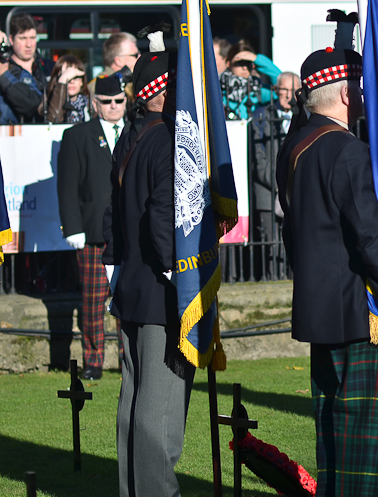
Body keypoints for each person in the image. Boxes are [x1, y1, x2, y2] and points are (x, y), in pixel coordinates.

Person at [276, 48, 378, 496]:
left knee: (332, 435)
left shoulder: (295, 144)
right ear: (344, 92)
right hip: (361, 310)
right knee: (364, 438)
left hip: (320, 305)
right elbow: (369, 234)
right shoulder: (347, 150)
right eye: (359, 89)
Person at [102, 29, 194, 497]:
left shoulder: (134, 137)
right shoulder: (165, 142)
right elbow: (163, 219)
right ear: (165, 93)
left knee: (134, 402)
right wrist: (180, 275)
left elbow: (115, 218)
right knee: (158, 409)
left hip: (133, 289)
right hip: (161, 293)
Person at [57, 74, 127, 380]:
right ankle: (93, 361)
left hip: (130, 235)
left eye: (119, 101)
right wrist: (72, 227)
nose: (114, 106)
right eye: (107, 101)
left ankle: (130, 358)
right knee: (93, 300)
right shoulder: (77, 136)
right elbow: (67, 186)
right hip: (93, 233)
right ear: (95, 104)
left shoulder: (138, 130)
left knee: (130, 298)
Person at [250, 71, 300, 277]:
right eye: (284, 90)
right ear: (276, 91)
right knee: (271, 245)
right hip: (268, 191)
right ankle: (273, 279)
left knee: (297, 243)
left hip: (297, 192)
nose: (288, 96)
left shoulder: (304, 117)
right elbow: (258, 158)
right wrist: (280, 181)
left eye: (292, 90)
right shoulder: (261, 116)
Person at [0, 14, 50, 124]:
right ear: (11, 40)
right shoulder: (4, 67)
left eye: (32, 38)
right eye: (23, 38)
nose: (29, 44)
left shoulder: (47, 67)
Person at [220, 41, 280, 120]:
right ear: (228, 64)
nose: (245, 67)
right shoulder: (219, 86)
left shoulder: (256, 89)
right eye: (240, 63)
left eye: (248, 63)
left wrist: (256, 58)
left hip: (252, 132)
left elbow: (282, 84)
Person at [87, 32, 139, 110]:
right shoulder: (97, 84)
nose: (140, 57)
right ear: (118, 60)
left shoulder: (133, 80)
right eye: (135, 55)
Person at [43, 54, 90, 124]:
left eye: (75, 77)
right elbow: (54, 121)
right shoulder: (47, 103)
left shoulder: (90, 104)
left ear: (82, 82)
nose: (71, 81)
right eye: (67, 76)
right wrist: (63, 80)